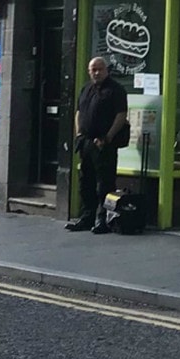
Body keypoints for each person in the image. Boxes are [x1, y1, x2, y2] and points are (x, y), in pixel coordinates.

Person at [67, 56, 129, 234]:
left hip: (104, 143)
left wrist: (108, 137)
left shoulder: (115, 90)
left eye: (100, 69)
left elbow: (121, 115)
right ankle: (86, 217)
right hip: (86, 142)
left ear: (106, 70)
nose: (96, 73)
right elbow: (79, 112)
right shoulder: (86, 89)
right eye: (93, 70)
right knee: (85, 181)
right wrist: (79, 134)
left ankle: (103, 219)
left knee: (105, 183)